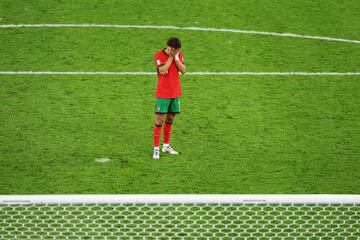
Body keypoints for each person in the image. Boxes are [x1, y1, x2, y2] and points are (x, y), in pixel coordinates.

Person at [153, 37, 186, 160]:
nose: (176, 52)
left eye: (177, 51)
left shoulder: (178, 54)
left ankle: (166, 146)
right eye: (174, 50)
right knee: (159, 121)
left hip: (175, 93)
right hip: (163, 94)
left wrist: (176, 58)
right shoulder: (159, 55)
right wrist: (171, 58)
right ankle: (156, 148)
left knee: (170, 119)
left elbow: (183, 71)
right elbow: (162, 70)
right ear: (169, 47)